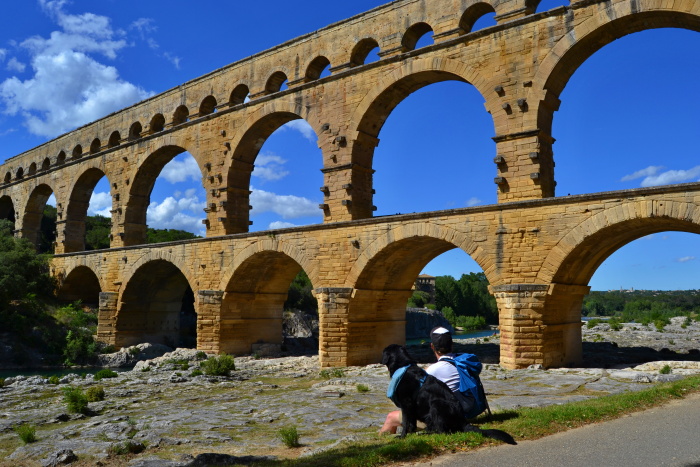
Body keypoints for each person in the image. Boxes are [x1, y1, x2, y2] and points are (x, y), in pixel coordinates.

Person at [379, 326, 460, 434]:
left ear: (432, 346)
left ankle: (382, 437)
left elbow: (411, 402)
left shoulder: (431, 371)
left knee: (391, 417)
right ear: (452, 345)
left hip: (443, 417)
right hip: (462, 411)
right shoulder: (463, 363)